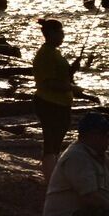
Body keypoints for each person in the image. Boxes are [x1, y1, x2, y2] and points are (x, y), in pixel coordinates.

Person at [33, 18, 86, 181]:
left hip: (59, 103)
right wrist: (72, 88)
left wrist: (72, 70)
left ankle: (53, 175)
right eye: (60, 32)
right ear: (51, 34)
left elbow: (61, 76)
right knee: (51, 143)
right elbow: (48, 83)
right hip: (50, 104)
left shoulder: (54, 52)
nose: (63, 35)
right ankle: (50, 179)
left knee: (55, 143)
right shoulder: (46, 55)